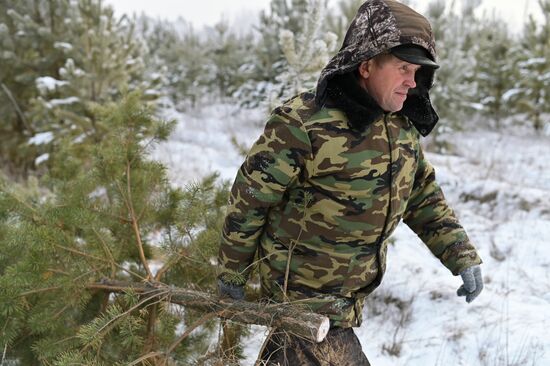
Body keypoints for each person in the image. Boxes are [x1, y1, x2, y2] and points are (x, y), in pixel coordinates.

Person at [217, 0, 483, 364]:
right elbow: (250, 199)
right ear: (367, 64)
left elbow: (421, 196)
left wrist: (461, 255)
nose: (412, 80)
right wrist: (232, 271)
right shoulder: (306, 123)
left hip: (342, 307)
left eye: (417, 71)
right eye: (403, 67)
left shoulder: (400, 128)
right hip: (303, 305)